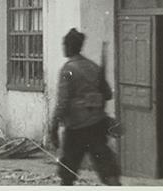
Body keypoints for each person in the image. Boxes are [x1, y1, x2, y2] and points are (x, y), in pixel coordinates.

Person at [48, 28, 121, 186]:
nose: (63, 47)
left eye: (65, 44)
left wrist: (53, 126)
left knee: (67, 174)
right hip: (97, 125)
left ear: (69, 46)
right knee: (107, 170)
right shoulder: (93, 67)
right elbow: (107, 94)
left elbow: (63, 101)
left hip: (76, 128)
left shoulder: (68, 70)